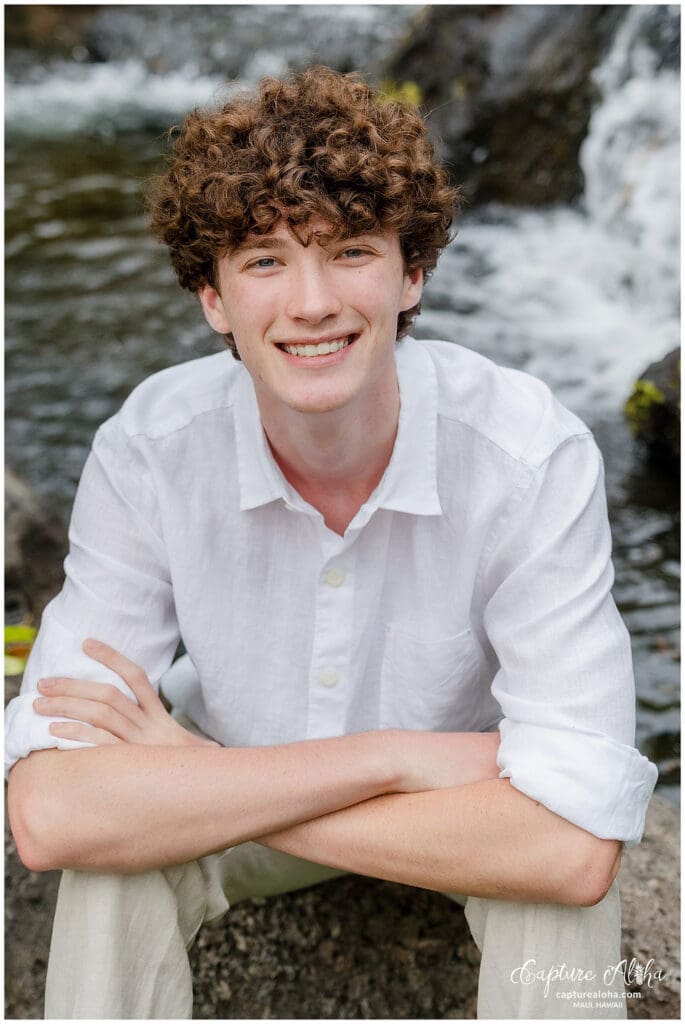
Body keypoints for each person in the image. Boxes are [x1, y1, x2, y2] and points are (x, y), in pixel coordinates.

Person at [6, 66, 657, 1020]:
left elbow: (569, 851)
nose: (311, 303)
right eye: (265, 261)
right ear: (213, 299)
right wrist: (391, 758)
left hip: (454, 822)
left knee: (558, 909)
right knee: (109, 873)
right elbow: (52, 815)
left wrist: (188, 777)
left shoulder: (527, 455)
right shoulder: (150, 450)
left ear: (411, 274)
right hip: (389, 785)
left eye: (349, 251)